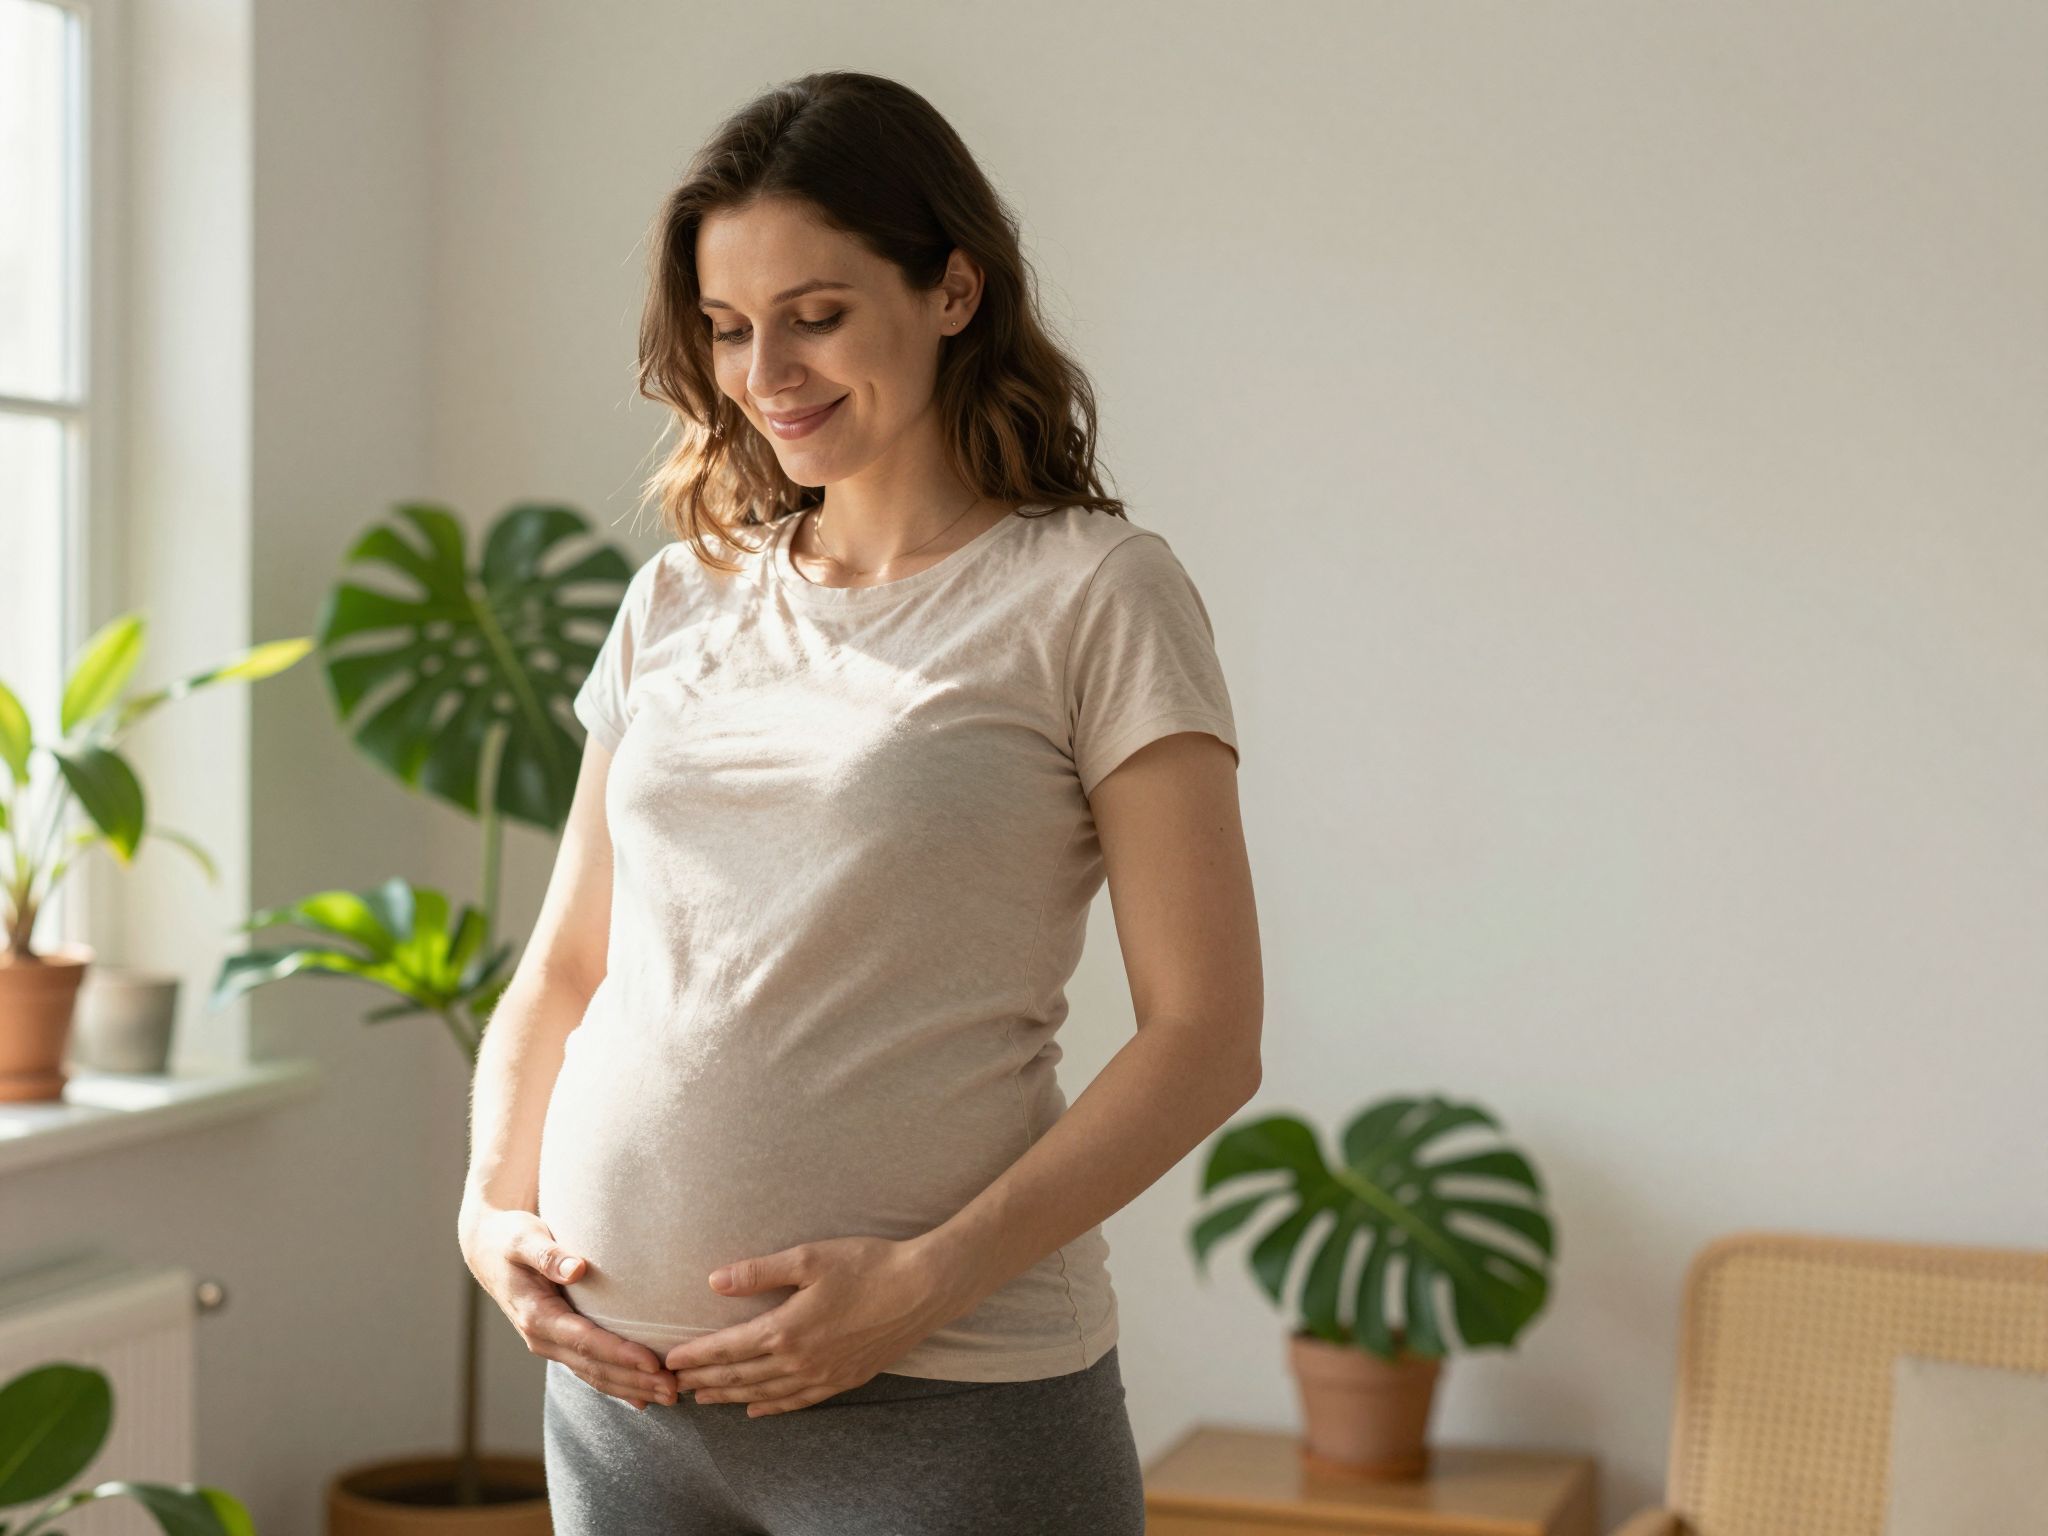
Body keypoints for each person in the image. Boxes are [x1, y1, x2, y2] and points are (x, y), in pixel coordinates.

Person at [457, 69, 1263, 1535]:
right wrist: (485, 1209)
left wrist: (916, 1286)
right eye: (727, 326)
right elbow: (570, 965)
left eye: (816, 313)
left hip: (947, 1406)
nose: (768, 370)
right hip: (625, 1404)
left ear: (954, 288)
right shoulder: (676, 597)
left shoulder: (1091, 594)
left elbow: (1208, 1039)